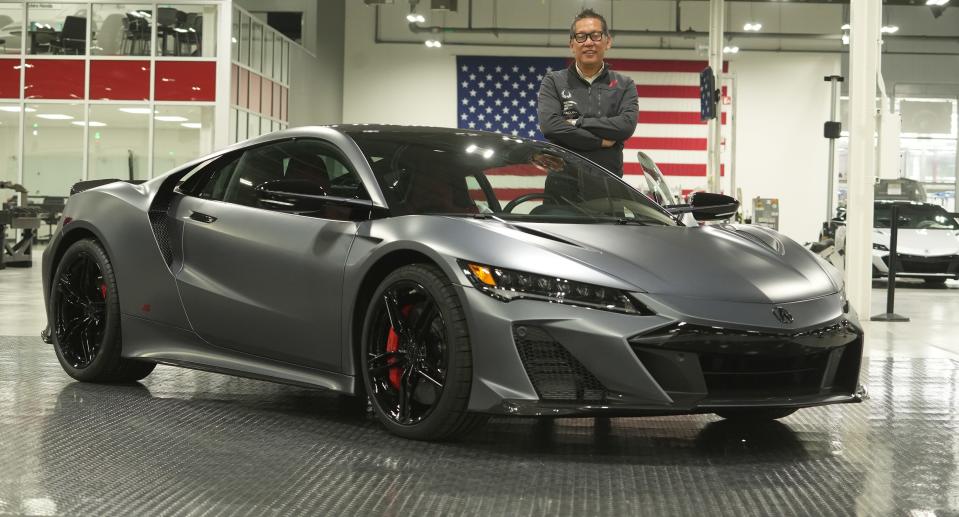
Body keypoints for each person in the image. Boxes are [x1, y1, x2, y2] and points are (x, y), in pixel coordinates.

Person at [537, 8, 638, 177]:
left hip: (609, 185)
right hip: (562, 184)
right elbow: (550, 126)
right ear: (572, 45)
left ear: (608, 42)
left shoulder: (625, 85)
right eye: (581, 36)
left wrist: (576, 122)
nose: (589, 42)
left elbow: (625, 127)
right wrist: (599, 142)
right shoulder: (553, 81)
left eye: (596, 35)